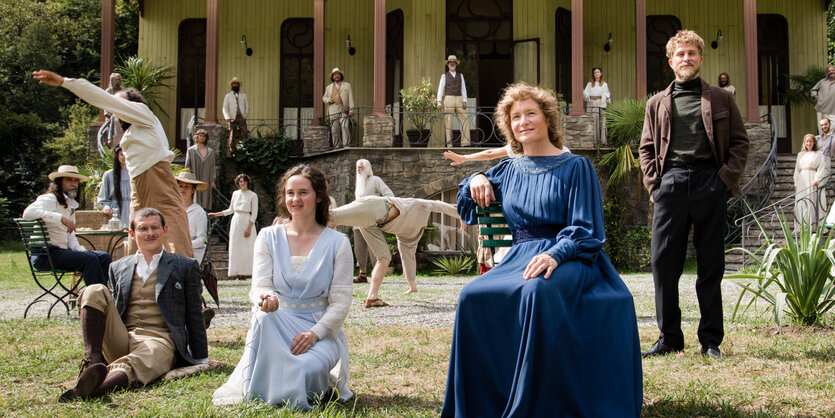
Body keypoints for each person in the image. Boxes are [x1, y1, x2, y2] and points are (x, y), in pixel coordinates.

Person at [442, 82, 642, 417]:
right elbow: (467, 205)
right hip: (519, 258)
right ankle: (482, 405)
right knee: (471, 295)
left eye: (530, 113)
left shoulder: (576, 167)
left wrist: (556, 254)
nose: (523, 121)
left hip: (573, 258)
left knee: (537, 290)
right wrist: (475, 177)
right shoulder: (507, 169)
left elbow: (587, 229)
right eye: (515, 116)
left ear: (547, 118)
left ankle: (533, 406)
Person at [638, 30, 749, 359]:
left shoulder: (721, 98)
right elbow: (646, 148)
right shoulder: (657, 103)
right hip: (670, 183)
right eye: (680, 54)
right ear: (670, 61)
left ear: (701, 58)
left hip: (709, 182)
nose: (686, 58)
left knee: (710, 263)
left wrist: (723, 180)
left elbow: (741, 143)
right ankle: (669, 337)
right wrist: (655, 185)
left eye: (692, 53)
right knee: (663, 262)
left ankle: (711, 339)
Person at [213, 165, 353, 410]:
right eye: (290, 193)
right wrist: (264, 298)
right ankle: (273, 378)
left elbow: (340, 302)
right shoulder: (268, 236)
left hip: (317, 328)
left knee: (305, 369)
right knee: (262, 318)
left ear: (318, 196)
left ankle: (309, 379)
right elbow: (260, 286)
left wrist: (314, 334)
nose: (295, 199)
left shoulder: (338, 243)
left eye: (303, 192)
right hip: (276, 324)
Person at [33, 69, 194, 259]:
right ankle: (134, 281)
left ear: (134, 104)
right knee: (137, 231)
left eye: (121, 102)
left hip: (157, 177)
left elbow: (104, 99)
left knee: (173, 225)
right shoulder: (132, 131)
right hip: (138, 181)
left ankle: (187, 277)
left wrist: (65, 82)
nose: (117, 107)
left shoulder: (144, 114)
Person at [58, 208, 207, 402]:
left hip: (160, 340)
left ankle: (95, 388)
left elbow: (194, 313)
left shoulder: (184, 265)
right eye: (143, 228)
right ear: (132, 234)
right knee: (94, 290)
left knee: (144, 358)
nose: (150, 233)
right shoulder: (118, 266)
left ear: (165, 230)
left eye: (155, 227)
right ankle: (92, 365)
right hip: (123, 337)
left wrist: (201, 358)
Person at [330, 196, 459, 306]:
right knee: (330, 216)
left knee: (384, 257)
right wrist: (459, 215)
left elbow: (408, 257)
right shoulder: (420, 206)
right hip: (378, 206)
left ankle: (372, 298)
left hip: (374, 224)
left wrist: (412, 285)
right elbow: (440, 205)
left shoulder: (409, 235)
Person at [23, 165, 111, 287]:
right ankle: (97, 301)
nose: (73, 184)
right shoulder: (49, 199)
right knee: (90, 260)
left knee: (104, 257)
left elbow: (71, 237)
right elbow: (27, 213)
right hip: (44, 255)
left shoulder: (70, 205)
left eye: (76, 181)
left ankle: (103, 295)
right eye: (69, 180)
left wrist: (82, 251)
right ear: (59, 183)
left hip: (60, 252)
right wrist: (60, 218)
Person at [351, 159, 393, 283]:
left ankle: (377, 274)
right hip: (358, 221)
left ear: (367, 168)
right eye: (357, 167)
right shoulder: (359, 183)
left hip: (372, 220)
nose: (358, 170)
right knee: (359, 249)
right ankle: (362, 274)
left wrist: (380, 210)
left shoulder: (376, 180)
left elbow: (389, 195)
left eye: (361, 167)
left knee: (373, 248)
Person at [209, 174, 257, 279]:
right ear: (238, 183)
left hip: (246, 221)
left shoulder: (253, 195)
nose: (242, 183)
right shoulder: (235, 194)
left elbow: (254, 214)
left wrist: (249, 228)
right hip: (236, 221)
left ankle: (249, 271)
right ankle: (238, 272)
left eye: (244, 181)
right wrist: (216, 214)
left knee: (248, 247)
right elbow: (230, 210)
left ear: (247, 182)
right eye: (240, 181)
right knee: (236, 247)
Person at [794, 134, 829, 226]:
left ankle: (814, 225)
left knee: (812, 201)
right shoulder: (800, 155)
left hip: (812, 179)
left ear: (814, 143)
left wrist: (817, 179)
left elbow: (821, 167)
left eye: (810, 141)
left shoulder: (819, 154)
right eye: (807, 141)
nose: (808, 143)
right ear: (804, 143)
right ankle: (803, 225)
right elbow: (797, 170)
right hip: (802, 180)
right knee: (803, 201)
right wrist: (796, 183)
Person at [437, 55, 470, 146]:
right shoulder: (444, 76)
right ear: (448, 64)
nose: (452, 63)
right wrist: (439, 101)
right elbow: (441, 88)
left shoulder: (460, 75)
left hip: (459, 98)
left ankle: (465, 142)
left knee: (464, 119)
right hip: (449, 98)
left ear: (455, 64)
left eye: (453, 62)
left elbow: (463, 88)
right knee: (448, 120)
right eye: (450, 62)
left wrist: (464, 100)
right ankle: (449, 143)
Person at [176, 171, 209, 264]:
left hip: (192, 253)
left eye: (187, 187)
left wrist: (185, 245)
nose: (183, 189)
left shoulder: (199, 212)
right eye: (180, 186)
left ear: (193, 190)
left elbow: (201, 240)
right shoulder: (173, 210)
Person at [97, 146, 131, 228]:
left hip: (133, 209)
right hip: (115, 212)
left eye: (127, 154)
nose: (125, 157)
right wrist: (106, 207)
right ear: (118, 156)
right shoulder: (109, 175)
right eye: (122, 154)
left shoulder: (136, 174)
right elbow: (103, 197)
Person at [184, 129, 216, 210]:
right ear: (197, 137)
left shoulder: (210, 151)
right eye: (200, 136)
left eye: (204, 136)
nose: (202, 137)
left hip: (206, 177)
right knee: (195, 196)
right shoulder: (191, 150)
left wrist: (212, 180)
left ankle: (204, 213)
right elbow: (187, 165)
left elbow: (212, 166)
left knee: (206, 197)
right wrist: (188, 179)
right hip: (195, 176)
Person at [322, 68, 355, 144]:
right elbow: (324, 97)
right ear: (333, 77)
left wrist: (351, 110)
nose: (336, 76)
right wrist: (328, 100)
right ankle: (336, 147)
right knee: (334, 129)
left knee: (345, 127)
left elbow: (351, 98)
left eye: (338, 74)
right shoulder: (329, 87)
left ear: (340, 76)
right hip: (333, 109)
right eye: (334, 75)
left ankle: (346, 145)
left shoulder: (347, 85)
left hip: (344, 109)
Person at [222, 77, 249, 154]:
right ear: (231, 85)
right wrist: (227, 117)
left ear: (239, 85)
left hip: (241, 117)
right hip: (231, 117)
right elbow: (225, 107)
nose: (235, 85)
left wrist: (245, 115)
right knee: (232, 134)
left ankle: (245, 148)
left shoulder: (243, 95)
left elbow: (247, 106)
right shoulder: (227, 96)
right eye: (234, 84)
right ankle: (232, 150)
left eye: (237, 84)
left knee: (244, 133)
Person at [811, 65, 835, 135]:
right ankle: (822, 143)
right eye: (829, 71)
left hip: (833, 110)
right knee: (822, 128)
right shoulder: (822, 82)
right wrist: (816, 97)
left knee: (833, 128)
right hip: (821, 108)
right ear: (827, 73)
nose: (831, 72)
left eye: (832, 70)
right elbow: (813, 90)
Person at [104, 72, 124, 148]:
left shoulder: (123, 90)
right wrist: (106, 115)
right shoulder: (108, 91)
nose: (117, 81)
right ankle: (110, 140)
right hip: (111, 113)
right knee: (112, 120)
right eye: (116, 80)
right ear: (112, 80)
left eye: (118, 79)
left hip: (121, 113)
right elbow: (105, 103)